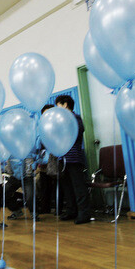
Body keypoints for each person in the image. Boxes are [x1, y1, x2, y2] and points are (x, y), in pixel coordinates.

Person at [55, 95, 90, 224]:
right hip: (62, 158)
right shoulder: (59, 120)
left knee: (78, 186)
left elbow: (79, 130)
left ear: (65, 104)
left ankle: (84, 213)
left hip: (74, 158)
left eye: (58, 105)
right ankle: (71, 211)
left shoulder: (75, 118)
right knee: (67, 187)